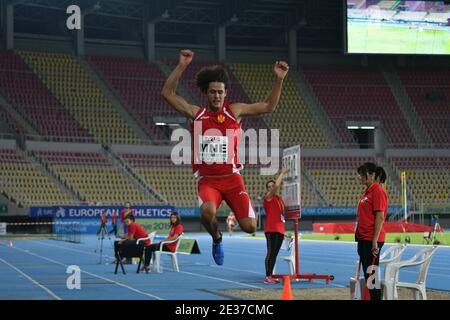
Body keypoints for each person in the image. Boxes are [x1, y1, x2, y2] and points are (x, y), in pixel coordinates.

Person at [161, 49, 289, 265]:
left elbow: (268, 106)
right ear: (206, 93)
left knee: (250, 226)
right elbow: (168, 93)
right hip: (208, 181)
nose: (217, 96)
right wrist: (182, 66)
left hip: (232, 178)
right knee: (207, 211)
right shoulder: (197, 113)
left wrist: (278, 79)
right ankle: (217, 238)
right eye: (213, 92)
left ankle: (227, 226)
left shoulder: (235, 111)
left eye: (220, 92)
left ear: (226, 93)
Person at [355, 162, 388, 300]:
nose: (360, 177)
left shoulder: (378, 191)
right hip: (363, 239)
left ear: (372, 175)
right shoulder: (367, 191)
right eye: (360, 174)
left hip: (371, 239)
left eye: (363, 174)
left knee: (372, 277)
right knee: (369, 276)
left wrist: (374, 240)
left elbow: (380, 216)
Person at [263, 168, 288, 284]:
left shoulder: (279, 199)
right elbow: (277, 186)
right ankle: (268, 276)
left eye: (273, 186)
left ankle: (271, 275)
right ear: (268, 189)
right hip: (271, 229)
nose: (272, 188)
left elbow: (282, 214)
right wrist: (282, 173)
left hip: (280, 229)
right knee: (271, 253)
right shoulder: (268, 197)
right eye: (269, 187)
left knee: (275, 254)